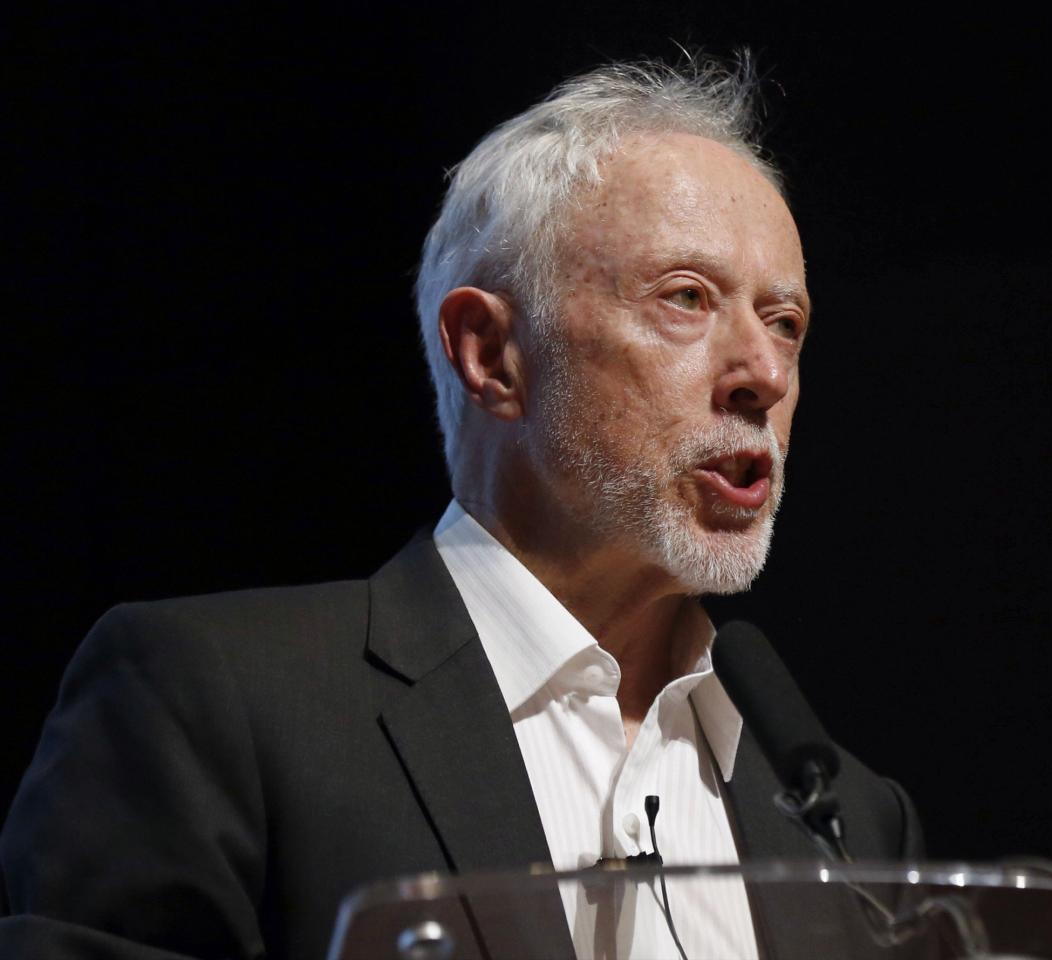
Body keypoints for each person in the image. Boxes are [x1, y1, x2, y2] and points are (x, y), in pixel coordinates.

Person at [0, 57, 920, 960]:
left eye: (784, 322)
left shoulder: (848, 817)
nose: (763, 373)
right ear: (489, 356)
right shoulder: (217, 706)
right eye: (687, 298)